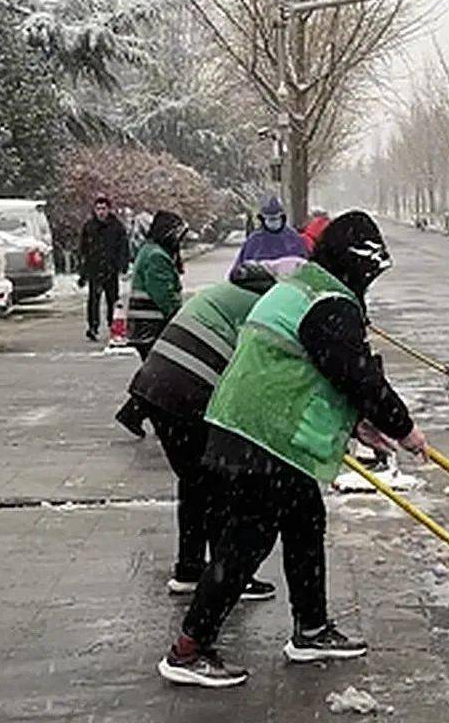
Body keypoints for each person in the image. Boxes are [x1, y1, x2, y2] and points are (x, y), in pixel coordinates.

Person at [157, 211, 429, 688]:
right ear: (356, 264)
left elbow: (314, 368)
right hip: (263, 434)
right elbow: (356, 375)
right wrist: (403, 428)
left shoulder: (305, 287)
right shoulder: (328, 302)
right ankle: (188, 649)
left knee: (305, 519)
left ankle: (311, 629)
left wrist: (358, 425)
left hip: (248, 427)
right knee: (247, 540)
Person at [127, 259, 305, 599]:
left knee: (195, 483)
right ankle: (228, 577)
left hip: (154, 386)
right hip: (187, 390)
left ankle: (190, 570)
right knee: (218, 484)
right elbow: (262, 371)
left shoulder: (226, 294)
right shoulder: (264, 307)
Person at [114, 211, 188, 439]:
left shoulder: (150, 251)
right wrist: (179, 318)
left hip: (144, 326)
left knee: (158, 375)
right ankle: (134, 414)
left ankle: (142, 415)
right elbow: (163, 294)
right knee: (162, 376)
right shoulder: (157, 256)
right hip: (151, 326)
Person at [77, 196, 129, 342]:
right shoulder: (89, 227)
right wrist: (83, 273)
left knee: (112, 299)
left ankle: (112, 324)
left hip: (110, 269)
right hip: (94, 269)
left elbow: (123, 247)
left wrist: (122, 265)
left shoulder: (116, 227)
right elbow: (84, 250)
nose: (101, 212)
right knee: (93, 300)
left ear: (108, 210)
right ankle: (93, 326)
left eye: (103, 209)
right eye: (98, 209)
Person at [229, 195, 306, 276]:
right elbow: (240, 269)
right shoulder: (254, 240)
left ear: (281, 217)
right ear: (263, 218)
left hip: (289, 281)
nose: (273, 221)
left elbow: (304, 265)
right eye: (270, 218)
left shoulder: (292, 237)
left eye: (276, 218)